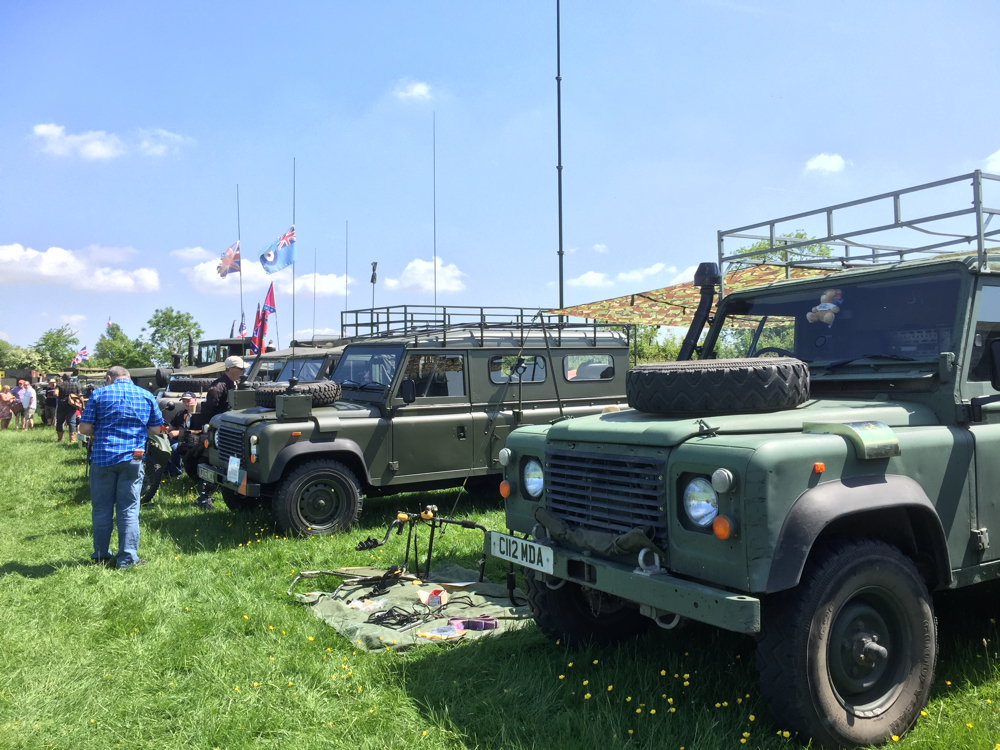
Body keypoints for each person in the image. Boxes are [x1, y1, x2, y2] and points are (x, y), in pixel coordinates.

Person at [78, 365, 164, 569]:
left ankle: (100, 555)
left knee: (101, 508)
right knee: (129, 509)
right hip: (133, 458)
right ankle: (126, 558)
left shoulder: (99, 394)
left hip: (103, 457)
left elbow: (84, 428)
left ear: (109, 378)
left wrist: (100, 431)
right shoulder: (145, 395)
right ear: (128, 377)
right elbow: (155, 428)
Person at [195, 355, 244, 428]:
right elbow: (208, 409)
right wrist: (206, 425)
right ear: (231, 369)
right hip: (220, 427)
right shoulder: (217, 387)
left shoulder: (238, 384)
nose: (244, 371)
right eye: (241, 369)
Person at [165, 391, 199, 478]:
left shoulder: (199, 414)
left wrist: (179, 433)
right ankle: (166, 472)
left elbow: (200, 431)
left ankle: (177, 475)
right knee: (161, 446)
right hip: (178, 440)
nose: (186, 403)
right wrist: (162, 430)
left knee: (174, 448)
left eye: (188, 401)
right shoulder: (181, 413)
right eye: (184, 401)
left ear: (195, 400)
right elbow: (171, 427)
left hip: (193, 442)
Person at [55, 374, 83, 443]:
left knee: (60, 422)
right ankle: (72, 439)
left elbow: (55, 394)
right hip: (71, 406)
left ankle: (60, 438)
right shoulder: (75, 385)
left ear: (63, 378)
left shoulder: (59, 385)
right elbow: (80, 396)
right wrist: (82, 405)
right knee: (72, 422)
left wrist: (59, 398)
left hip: (61, 405)